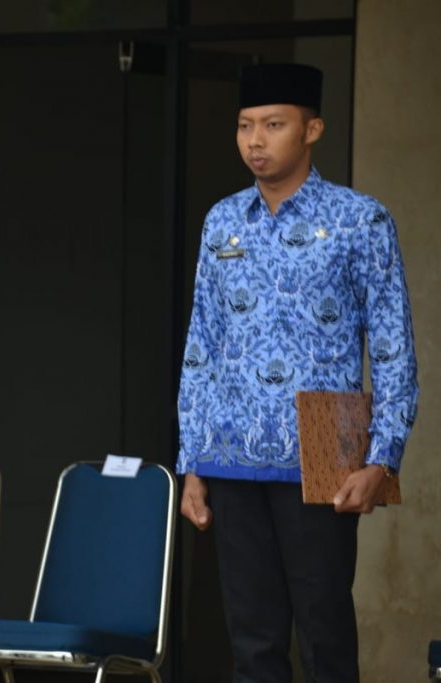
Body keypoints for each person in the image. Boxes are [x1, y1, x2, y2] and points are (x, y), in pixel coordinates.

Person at [177, 63, 418, 682]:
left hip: (323, 457)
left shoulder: (360, 220)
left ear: (313, 129)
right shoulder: (222, 222)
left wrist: (382, 459)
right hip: (231, 455)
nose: (255, 141)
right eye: (245, 126)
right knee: (252, 643)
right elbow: (201, 345)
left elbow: (392, 350)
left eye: (274, 125)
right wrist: (193, 460)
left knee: (324, 637)